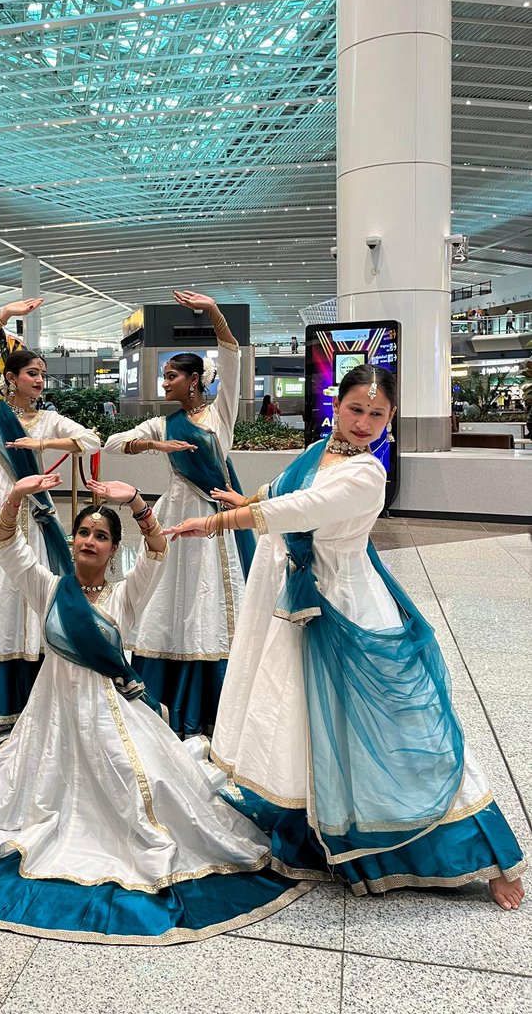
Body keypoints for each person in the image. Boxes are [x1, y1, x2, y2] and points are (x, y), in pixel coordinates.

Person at [0, 475, 307, 943]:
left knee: (141, 785)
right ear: (72, 540)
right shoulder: (48, 588)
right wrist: (17, 496)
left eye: (101, 536)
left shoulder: (126, 594)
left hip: (113, 710)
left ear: (113, 549)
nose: (89, 540)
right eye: (83, 532)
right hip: (52, 713)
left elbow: (158, 550)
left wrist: (139, 503)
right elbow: (4, 544)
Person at [167, 363, 526, 910]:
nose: (363, 422)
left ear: (391, 418)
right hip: (294, 604)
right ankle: (311, 821)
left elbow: (303, 507)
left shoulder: (367, 473)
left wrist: (220, 522)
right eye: (356, 409)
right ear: (338, 406)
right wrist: (249, 500)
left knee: (393, 724)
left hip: (347, 606)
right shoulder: (319, 450)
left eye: (377, 414)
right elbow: (283, 488)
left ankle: (484, 850)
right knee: (299, 717)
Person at [0, 298, 100, 727]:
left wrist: (43, 444)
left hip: (35, 512)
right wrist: (3, 317)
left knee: (28, 591)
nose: (40, 380)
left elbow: (91, 440)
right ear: (11, 377)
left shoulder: (48, 420)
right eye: (32, 373)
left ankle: (30, 696)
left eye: (43, 374)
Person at [103, 291, 253, 735]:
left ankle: (211, 702)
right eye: (164, 375)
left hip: (215, 518)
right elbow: (113, 443)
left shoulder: (220, 415)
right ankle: (162, 695)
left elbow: (231, 354)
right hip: (173, 515)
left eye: (171, 376)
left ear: (194, 381)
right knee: (167, 598)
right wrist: (154, 444)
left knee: (209, 598)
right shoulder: (164, 423)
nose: (164, 382)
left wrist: (213, 312)